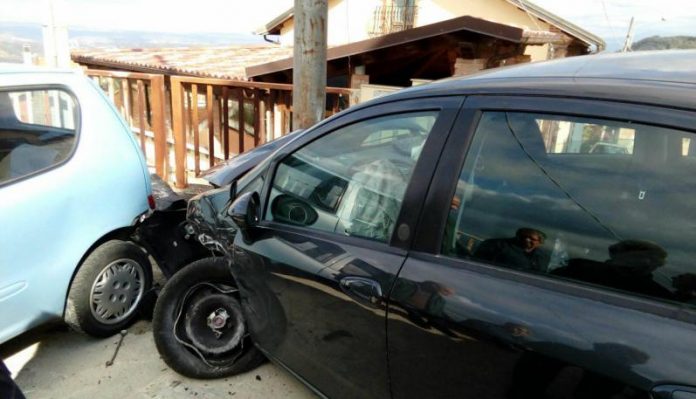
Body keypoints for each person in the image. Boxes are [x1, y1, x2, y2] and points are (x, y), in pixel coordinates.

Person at [474, 228, 551, 272]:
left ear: (540, 242)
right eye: (523, 237)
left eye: (532, 239)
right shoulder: (496, 245)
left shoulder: (543, 257)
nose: (527, 240)